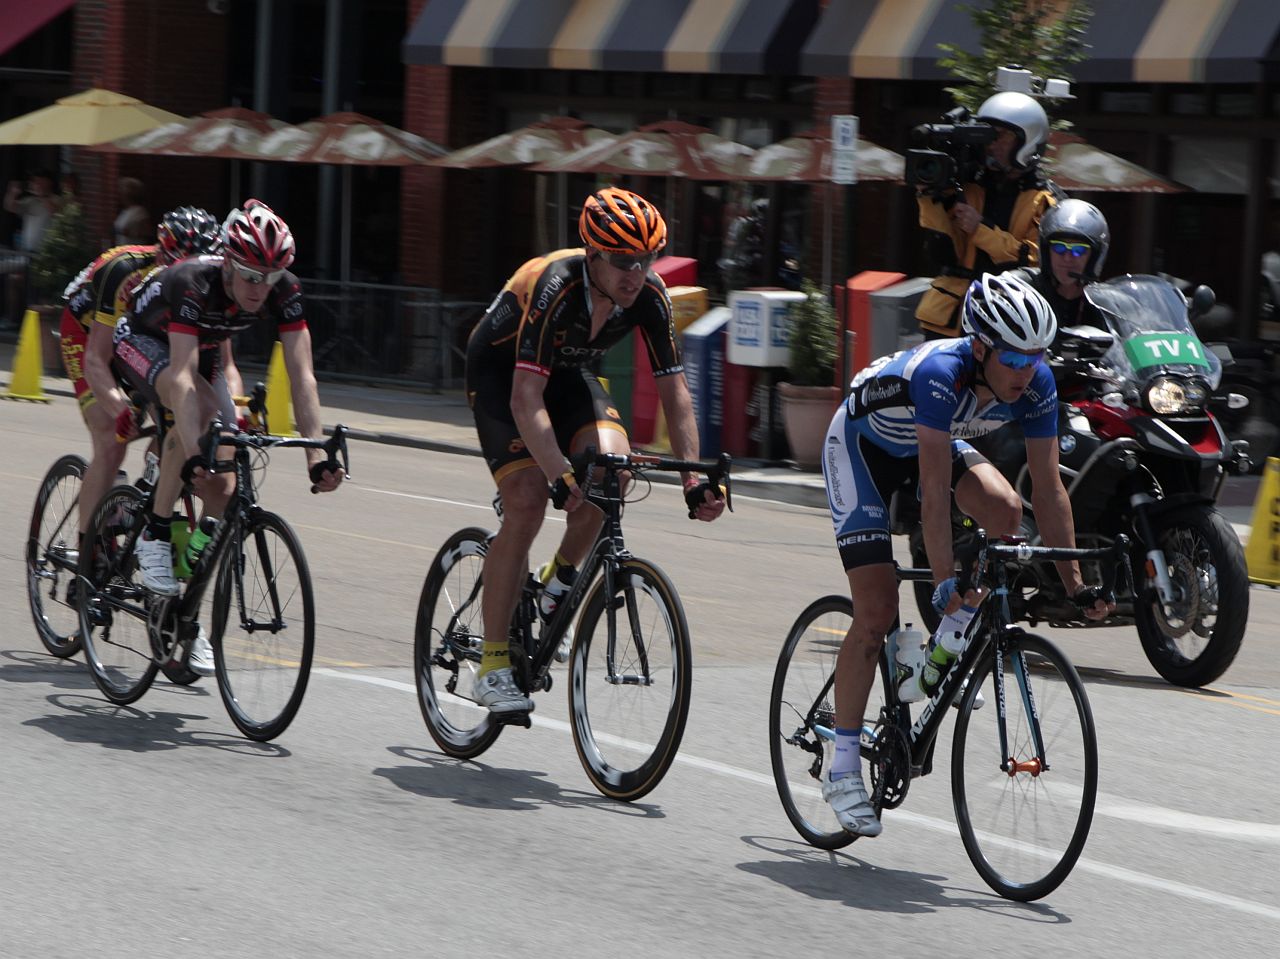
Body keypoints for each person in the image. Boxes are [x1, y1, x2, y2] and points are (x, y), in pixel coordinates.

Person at [819, 271, 1112, 836]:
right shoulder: (938, 375)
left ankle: (939, 653)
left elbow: (1049, 490)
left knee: (1007, 511)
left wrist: (1076, 584)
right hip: (861, 449)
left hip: (931, 441)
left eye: (1035, 358)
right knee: (876, 611)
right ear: (979, 347)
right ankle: (844, 768)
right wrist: (943, 582)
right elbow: (933, 495)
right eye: (1013, 358)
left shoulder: (1036, 381)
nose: (1026, 372)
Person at [464, 187, 726, 714]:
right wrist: (559, 473)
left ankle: (555, 584)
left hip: (567, 374)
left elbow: (675, 391)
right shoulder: (554, 287)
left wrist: (694, 480)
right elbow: (524, 398)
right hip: (503, 377)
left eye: (646, 259)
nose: (637, 273)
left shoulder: (649, 296)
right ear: (593, 256)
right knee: (528, 498)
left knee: (614, 475)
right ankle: (492, 666)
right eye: (625, 261)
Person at [114, 199, 344, 671]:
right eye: (251, 275)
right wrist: (196, 446)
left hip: (203, 349)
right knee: (192, 411)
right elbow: (181, 376)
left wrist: (315, 455)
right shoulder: (193, 281)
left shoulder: (283, 290)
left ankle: (185, 616)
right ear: (229, 264)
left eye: (272, 277)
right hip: (141, 341)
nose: (262, 288)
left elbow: (302, 377)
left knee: (223, 485)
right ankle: (154, 535)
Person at [66, 208, 233, 550]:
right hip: (87, 333)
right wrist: (118, 408)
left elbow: (222, 365)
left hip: (144, 342)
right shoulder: (124, 271)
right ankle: (88, 553)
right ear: (162, 255)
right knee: (112, 441)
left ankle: (144, 496)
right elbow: (97, 358)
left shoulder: (211, 284)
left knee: (182, 423)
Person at [915, 92, 1059, 339]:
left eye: (1001, 135)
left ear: (1028, 140)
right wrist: (929, 196)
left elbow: (1035, 261)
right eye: (988, 134)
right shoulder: (969, 187)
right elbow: (944, 252)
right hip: (951, 317)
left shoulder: (1044, 201)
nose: (992, 144)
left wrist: (979, 229)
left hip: (1008, 319)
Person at [1018, 197, 1110, 336]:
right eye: (1059, 247)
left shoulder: (1104, 304)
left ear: (1094, 256)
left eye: (1079, 250)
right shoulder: (1024, 289)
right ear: (1045, 250)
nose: (1067, 258)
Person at [113, 177, 152, 245]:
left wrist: (130, 233)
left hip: (134, 251)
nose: (119, 195)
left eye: (121, 193)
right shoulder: (125, 211)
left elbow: (147, 233)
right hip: (122, 250)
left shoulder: (140, 212)